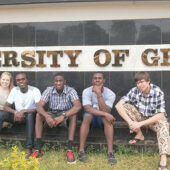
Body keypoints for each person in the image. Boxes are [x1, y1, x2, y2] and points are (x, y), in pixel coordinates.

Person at [115, 71, 170, 170]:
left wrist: (140, 123)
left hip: (154, 121)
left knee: (164, 126)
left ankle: (163, 159)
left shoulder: (157, 91)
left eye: (142, 82)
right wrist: (131, 123)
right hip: (141, 118)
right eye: (137, 83)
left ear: (148, 81)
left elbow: (161, 115)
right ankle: (139, 134)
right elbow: (118, 105)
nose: (139, 85)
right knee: (125, 106)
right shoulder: (135, 91)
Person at [32, 73, 81, 164]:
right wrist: (47, 116)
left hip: (65, 113)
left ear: (64, 82)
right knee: (39, 115)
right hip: (51, 113)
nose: (58, 83)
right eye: (56, 81)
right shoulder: (49, 90)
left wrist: (63, 116)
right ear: (53, 82)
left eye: (60, 81)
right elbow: (39, 106)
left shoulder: (71, 90)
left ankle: (69, 150)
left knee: (73, 116)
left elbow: (77, 106)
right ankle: (38, 150)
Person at [78, 72, 117, 165]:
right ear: (92, 80)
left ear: (104, 80)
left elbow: (106, 111)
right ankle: (81, 151)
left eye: (100, 78)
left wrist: (99, 94)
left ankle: (110, 152)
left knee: (107, 119)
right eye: (95, 78)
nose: (97, 80)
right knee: (87, 116)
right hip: (91, 117)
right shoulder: (86, 91)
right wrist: (106, 114)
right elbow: (87, 108)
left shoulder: (110, 93)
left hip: (102, 119)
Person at [3, 73, 41, 158]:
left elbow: (39, 108)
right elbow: (6, 106)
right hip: (17, 116)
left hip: (30, 116)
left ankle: (29, 148)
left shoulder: (35, 90)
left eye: (23, 79)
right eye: (18, 80)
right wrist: (16, 112)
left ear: (27, 80)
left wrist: (24, 111)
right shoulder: (14, 90)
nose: (21, 82)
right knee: (1, 115)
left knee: (30, 116)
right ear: (16, 82)